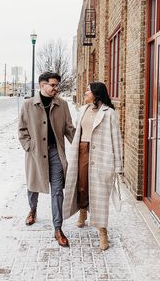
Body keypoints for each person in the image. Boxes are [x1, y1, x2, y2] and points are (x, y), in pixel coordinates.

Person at [63, 82, 123, 250]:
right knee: (81, 186)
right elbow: (77, 133)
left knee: (100, 194)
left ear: (97, 94)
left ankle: (103, 231)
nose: (85, 92)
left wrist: (118, 166)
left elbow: (117, 140)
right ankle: (83, 210)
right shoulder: (82, 110)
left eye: (88, 90)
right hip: (82, 151)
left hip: (102, 155)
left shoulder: (109, 113)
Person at [18, 71, 75, 247]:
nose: (55, 88)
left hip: (55, 153)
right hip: (35, 153)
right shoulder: (28, 105)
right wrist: (30, 147)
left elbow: (69, 129)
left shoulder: (62, 105)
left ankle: (58, 228)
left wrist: (83, 144)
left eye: (57, 85)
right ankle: (32, 210)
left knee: (57, 191)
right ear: (42, 85)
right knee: (33, 185)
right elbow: (22, 130)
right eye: (52, 85)